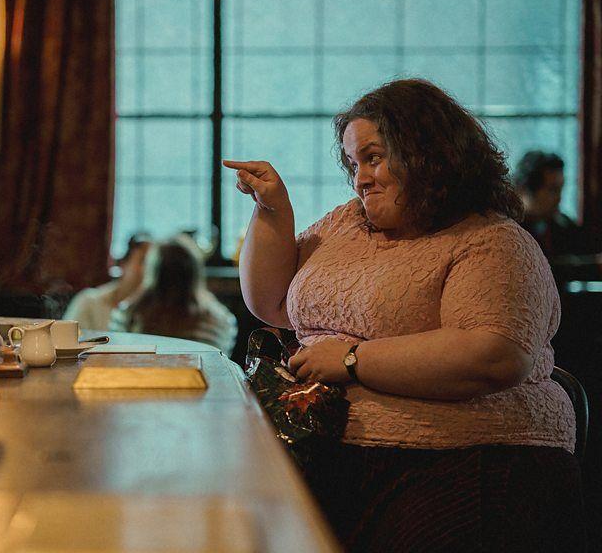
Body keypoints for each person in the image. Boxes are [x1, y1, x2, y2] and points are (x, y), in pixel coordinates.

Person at [227, 79, 584, 551]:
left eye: (373, 158)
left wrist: (352, 359)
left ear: (430, 155)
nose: (360, 178)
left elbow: (494, 354)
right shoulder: (346, 222)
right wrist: (272, 211)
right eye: (354, 163)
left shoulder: (492, 241)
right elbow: (271, 303)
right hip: (329, 447)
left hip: (466, 460)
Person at [109, 234, 237, 356]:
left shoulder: (127, 315)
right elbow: (219, 364)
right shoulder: (220, 321)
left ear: (152, 272)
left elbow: (120, 357)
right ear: (195, 273)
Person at [514, 150, 597, 258]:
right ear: (524, 189)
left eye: (561, 189)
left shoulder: (566, 227)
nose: (559, 198)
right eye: (552, 190)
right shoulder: (511, 231)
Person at [63, 233, 151, 331]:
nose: (149, 269)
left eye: (153, 263)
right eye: (143, 261)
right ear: (123, 264)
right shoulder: (89, 302)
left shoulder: (152, 312)